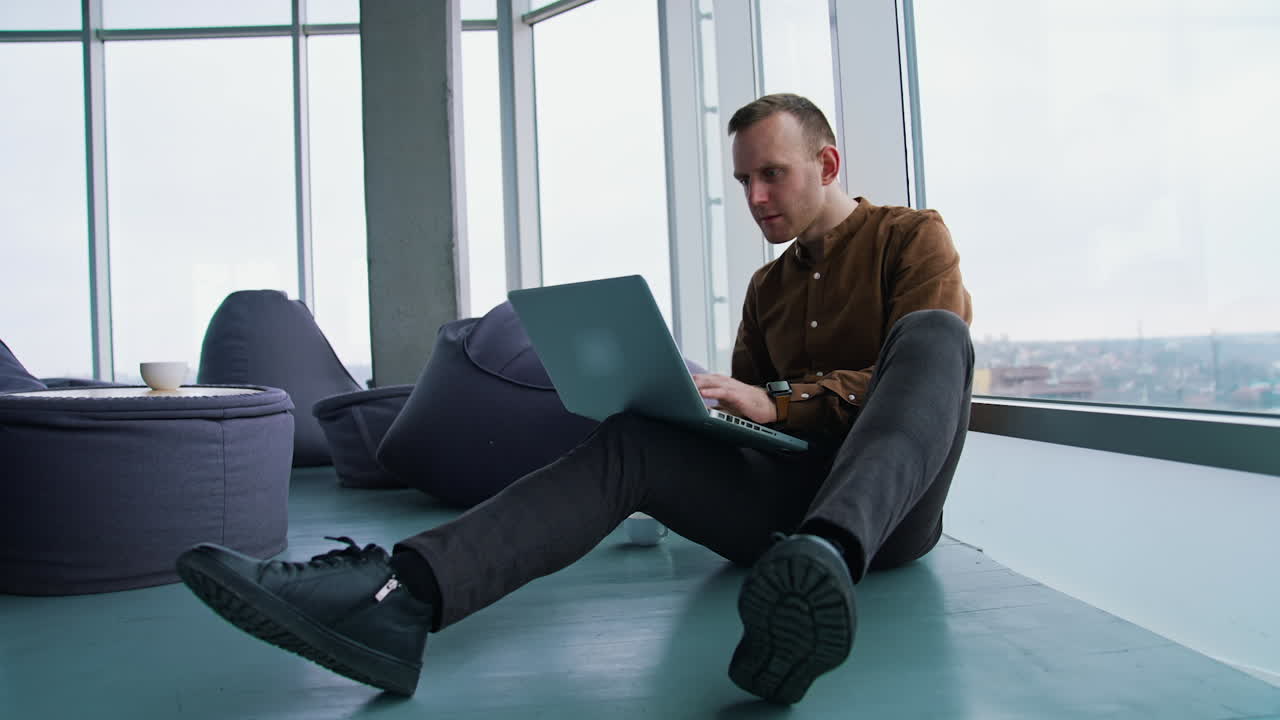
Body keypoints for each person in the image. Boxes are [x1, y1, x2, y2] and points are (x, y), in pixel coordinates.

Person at [175, 93, 973, 706]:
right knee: (633, 439)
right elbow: (750, 414)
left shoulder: (912, 238)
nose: (756, 195)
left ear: (827, 166)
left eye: (773, 174)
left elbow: (918, 389)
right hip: (783, 505)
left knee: (937, 336)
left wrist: (780, 402)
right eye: (743, 180)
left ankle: (826, 562)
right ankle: (397, 597)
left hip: (885, 519)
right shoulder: (767, 289)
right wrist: (698, 416)